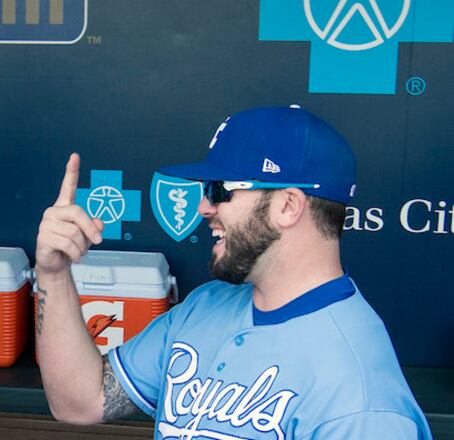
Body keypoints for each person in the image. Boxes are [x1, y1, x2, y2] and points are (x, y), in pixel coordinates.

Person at [34, 106, 432, 439]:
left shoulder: (361, 403)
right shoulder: (206, 306)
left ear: (289, 206)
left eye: (220, 190)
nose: (204, 207)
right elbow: (82, 401)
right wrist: (52, 274)